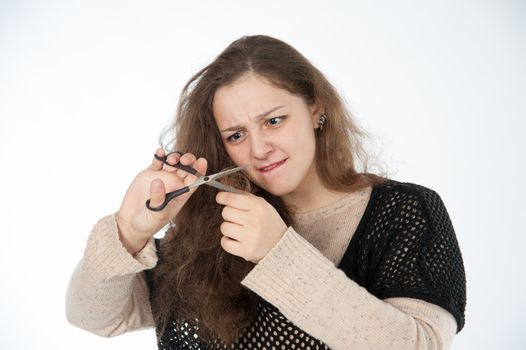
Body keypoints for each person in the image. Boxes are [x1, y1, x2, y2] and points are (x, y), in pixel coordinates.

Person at [66, 35, 466, 350]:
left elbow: (422, 345)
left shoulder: (404, 210)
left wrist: (278, 253)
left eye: (274, 120)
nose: (258, 149)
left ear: (315, 109)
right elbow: (94, 317)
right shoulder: (209, 229)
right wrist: (129, 230)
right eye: (236, 135)